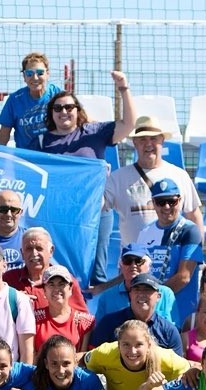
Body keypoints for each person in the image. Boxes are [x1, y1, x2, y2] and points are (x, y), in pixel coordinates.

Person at [29, 80, 136, 286]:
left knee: (96, 270)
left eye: (69, 107)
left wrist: (124, 89)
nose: (64, 112)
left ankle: (95, 316)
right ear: (51, 113)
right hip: (60, 215)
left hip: (95, 212)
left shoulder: (94, 132)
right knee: (60, 269)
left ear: (78, 110)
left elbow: (129, 124)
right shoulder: (41, 142)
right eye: (58, 108)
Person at [103, 116, 204, 246]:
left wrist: (196, 252)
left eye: (153, 139)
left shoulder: (179, 175)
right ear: (135, 142)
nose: (148, 144)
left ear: (162, 141)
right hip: (134, 261)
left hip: (171, 258)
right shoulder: (118, 178)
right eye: (142, 139)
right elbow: (100, 206)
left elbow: (194, 215)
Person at [136, 178, 203, 322]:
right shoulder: (145, 232)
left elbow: (184, 277)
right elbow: (135, 270)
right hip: (149, 313)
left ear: (179, 201)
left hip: (178, 313)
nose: (166, 207)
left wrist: (151, 297)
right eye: (161, 202)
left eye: (171, 201)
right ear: (153, 203)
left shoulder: (190, 230)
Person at [90, 273, 184, 355]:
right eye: (137, 289)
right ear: (130, 295)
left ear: (158, 297)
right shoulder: (109, 323)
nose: (141, 294)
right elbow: (92, 357)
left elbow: (177, 368)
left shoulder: (169, 331)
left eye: (147, 290)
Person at [3, 227, 88, 312]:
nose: (34, 253)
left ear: (51, 251)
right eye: (29, 249)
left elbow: (82, 319)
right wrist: (13, 301)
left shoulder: (66, 280)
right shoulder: (8, 279)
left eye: (39, 248)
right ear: (22, 253)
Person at [0, 52, 62, 149]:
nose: (35, 77)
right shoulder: (15, 100)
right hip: (26, 160)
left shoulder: (57, 95)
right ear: (24, 77)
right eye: (29, 73)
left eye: (40, 73)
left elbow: (79, 120)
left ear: (47, 74)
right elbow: (3, 135)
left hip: (54, 155)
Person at [91, 244, 175, 322]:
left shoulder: (165, 294)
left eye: (139, 261)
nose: (133, 265)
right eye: (128, 261)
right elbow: (99, 331)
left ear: (149, 265)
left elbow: (174, 330)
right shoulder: (107, 297)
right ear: (121, 265)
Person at [33, 264, 95, 352]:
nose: (56, 289)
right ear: (44, 291)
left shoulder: (85, 322)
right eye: (51, 285)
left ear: (70, 289)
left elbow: (83, 359)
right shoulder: (33, 319)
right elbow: (30, 357)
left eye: (61, 284)